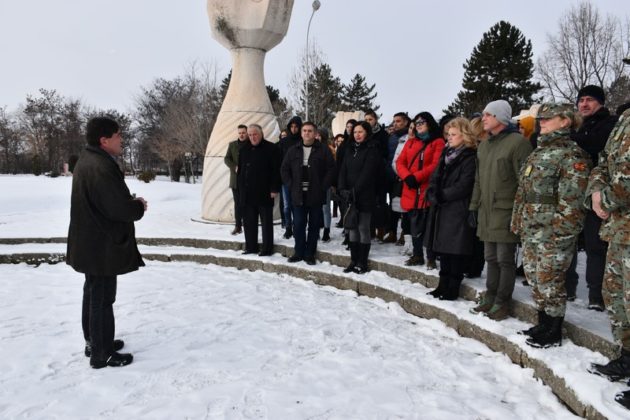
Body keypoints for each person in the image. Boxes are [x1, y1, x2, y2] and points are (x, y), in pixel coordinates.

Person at [67, 116, 147, 369]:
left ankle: (95, 341)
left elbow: (103, 202)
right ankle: (102, 353)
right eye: (118, 135)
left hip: (90, 242)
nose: (121, 139)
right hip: (100, 245)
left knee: (92, 292)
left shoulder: (88, 160)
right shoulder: (100, 166)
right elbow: (118, 208)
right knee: (101, 298)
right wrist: (137, 206)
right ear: (104, 140)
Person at [511, 103, 590, 348]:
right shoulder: (538, 152)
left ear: (566, 121)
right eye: (540, 118)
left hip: (553, 230)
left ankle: (554, 329)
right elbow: (523, 192)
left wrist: (563, 231)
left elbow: (572, 199)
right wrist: (518, 220)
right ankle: (543, 322)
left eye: (548, 118)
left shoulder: (571, 154)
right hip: (532, 227)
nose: (541, 121)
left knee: (550, 278)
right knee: (534, 277)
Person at [469, 99, 532, 321]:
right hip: (487, 210)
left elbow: (525, 182)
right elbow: (478, 179)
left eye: (487, 114)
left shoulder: (518, 143)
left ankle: (502, 301)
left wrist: (520, 214)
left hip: (506, 211)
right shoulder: (485, 145)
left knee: (505, 258)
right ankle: (491, 295)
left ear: (499, 118)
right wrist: (473, 206)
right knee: (490, 257)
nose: (483, 118)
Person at [585, 101, 630, 408]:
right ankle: (627, 359)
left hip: (619, 216)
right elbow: (603, 162)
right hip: (619, 229)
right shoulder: (624, 119)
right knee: (616, 297)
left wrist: (608, 199)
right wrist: (597, 193)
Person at [566, 85, 618, 310]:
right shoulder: (580, 126)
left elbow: (595, 144)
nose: (584, 104)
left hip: (598, 195)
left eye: (589, 100)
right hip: (573, 194)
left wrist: (572, 136)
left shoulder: (609, 123)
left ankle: (596, 294)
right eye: (581, 100)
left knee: (595, 245)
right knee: (567, 242)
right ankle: (567, 287)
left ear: (600, 103)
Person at [424, 117, 477, 300]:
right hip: (442, 208)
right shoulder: (446, 153)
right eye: (448, 134)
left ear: (465, 135)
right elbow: (434, 176)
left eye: (454, 135)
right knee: (444, 250)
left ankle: (452, 287)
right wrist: (432, 192)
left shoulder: (470, 156)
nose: (449, 138)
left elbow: (464, 185)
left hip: (457, 209)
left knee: (455, 251)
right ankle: (442, 284)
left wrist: (442, 195)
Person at [281, 122, 335, 264]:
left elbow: (331, 169)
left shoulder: (323, 150)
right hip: (298, 195)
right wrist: (291, 185)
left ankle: (310, 253)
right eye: (304, 130)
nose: (306, 133)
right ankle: (299, 252)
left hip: (316, 194)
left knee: (314, 225)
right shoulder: (293, 150)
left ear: (315, 133)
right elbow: (284, 169)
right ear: (301, 133)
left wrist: (323, 186)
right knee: (298, 224)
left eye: (310, 131)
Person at [396, 112, 445, 268]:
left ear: (429, 123)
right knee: (413, 224)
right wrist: (407, 177)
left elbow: (435, 165)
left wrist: (416, 177)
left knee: (428, 226)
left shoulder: (438, 142)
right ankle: (417, 255)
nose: (418, 125)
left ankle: (430, 256)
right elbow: (400, 162)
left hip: (426, 189)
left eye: (422, 122)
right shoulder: (411, 142)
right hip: (410, 188)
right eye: (416, 123)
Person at [338, 121, 382, 274]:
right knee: (352, 229)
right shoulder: (349, 148)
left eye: (360, 132)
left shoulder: (372, 149)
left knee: (363, 227)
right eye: (355, 132)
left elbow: (368, 173)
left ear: (367, 133)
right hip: (349, 195)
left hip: (364, 194)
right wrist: (342, 188)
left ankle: (362, 262)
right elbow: (343, 169)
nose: (357, 135)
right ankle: (353, 260)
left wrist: (355, 191)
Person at [238, 124, 281, 256]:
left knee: (266, 223)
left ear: (261, 133)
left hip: (265, 192)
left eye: (255, 134)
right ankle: (251, 247)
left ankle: (267, 249)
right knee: (249, 222)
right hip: (247, 192)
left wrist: (274, 188)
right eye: (250, 135)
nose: (252, 137)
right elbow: (240, 170)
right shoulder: (244, 149)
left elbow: (276, 171)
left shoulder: (271, 148)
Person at [384, 112, 411, 244]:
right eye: (394, 121)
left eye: (398, 121)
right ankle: (392, 232)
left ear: (406, 122)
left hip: (404, 177)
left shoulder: (410, 137)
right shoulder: (392, 137)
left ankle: (405, 234)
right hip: (391, 176)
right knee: (393, 206)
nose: (395, 124)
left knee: (404, 208)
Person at [365, 109, 390, 241]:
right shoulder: (363, 134)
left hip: (380, 173)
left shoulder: (383, 134)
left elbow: (386, 153)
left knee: (380, 203)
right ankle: (370, 230)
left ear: (376, 120)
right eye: (366, 120)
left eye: (370, 119)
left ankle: (381, 229)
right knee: (369, 203)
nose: (368, 122)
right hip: (367, 175)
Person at [278, 116, 303, 239]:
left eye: (296, 127)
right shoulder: (283, 142)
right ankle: (288, 227)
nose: (294, 129)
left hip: (300, 179)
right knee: (287, 205)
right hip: (286, 179)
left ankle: (297, 226)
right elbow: (279, 161)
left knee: (297, 205)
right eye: (291, 127)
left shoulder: (303, 140)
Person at [223, 124, 249, 235]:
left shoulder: (251, 144)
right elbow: (226, 158)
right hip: (236, 180)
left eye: (243, 132)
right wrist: (234, 166)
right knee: (237, 204)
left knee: (247, 204)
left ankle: (248, 225)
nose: (241, 135)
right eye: (240, 133)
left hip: (248, 180)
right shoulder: (232, 145)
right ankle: (238, 226)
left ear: (246, 132)